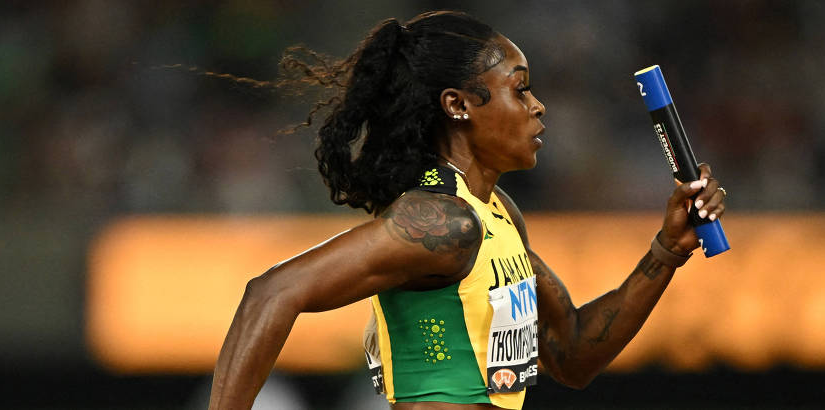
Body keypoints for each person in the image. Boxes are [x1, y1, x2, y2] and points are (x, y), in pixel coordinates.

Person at [208, 10, 726, 410]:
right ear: (458, 105)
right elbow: (271, 292)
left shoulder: (495, 212)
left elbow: (570, 354)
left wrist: (667, 250)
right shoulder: (441, 223)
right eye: (520, 89)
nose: (537, 106)